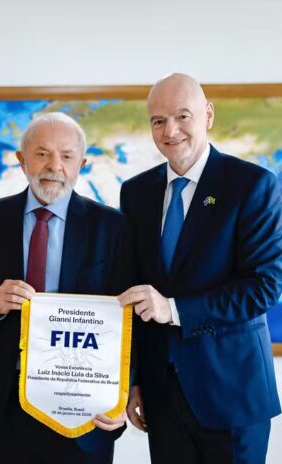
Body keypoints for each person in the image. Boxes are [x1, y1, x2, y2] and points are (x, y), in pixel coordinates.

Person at [118, 73, 282, 464]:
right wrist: (133, 378)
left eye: (182, 116)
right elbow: (133, 288)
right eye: (158, 121)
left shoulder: (252, 185)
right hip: (161, 396)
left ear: (208, 115)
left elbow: (264, 286)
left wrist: (174, 309)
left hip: (231, 394)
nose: (170, 131)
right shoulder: (136, 192)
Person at [0, 112, 134, 463]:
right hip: (7, 402)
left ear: (82, 164)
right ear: (22, 160)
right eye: (42, 154)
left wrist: (123, 395)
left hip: (86, 409)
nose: (55, 166)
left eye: (66, 156)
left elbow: (131, 318)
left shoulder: (112, 227)